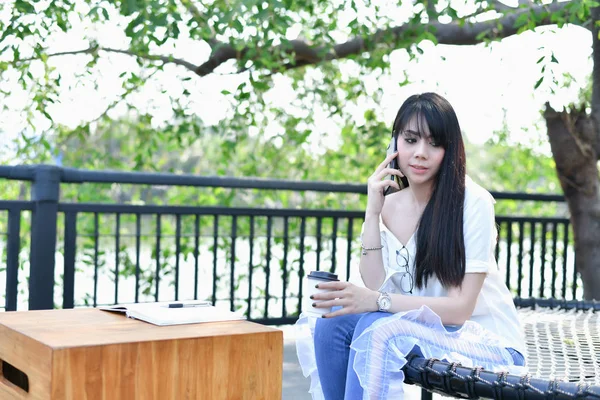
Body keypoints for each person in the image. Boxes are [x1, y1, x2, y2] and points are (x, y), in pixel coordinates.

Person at [295, 92, 526, 400]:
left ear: (450, 149)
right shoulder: (389, 205)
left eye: (434, 143)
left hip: (487, 343)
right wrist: (372, 211)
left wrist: (377, 301)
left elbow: (460, 311)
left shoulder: (472, 202)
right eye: (411, 139)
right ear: (395, 144)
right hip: (421, 331)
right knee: (332, 321)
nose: (420, 153)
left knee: (378, 330)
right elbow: (376, 284)